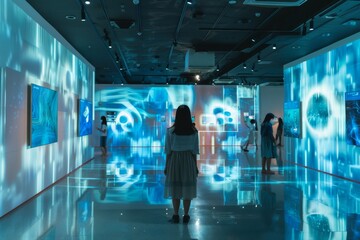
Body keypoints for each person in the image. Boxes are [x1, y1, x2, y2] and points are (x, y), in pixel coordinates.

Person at [164, 105, 199, 224]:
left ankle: (175, 214)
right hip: (188, 161)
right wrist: (195, 166)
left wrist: (166, 166)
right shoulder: (194, 132)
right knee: (187, 188)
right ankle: (186, 215)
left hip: (174, 160)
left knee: (175, 188)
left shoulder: (170, 131)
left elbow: (168, 151)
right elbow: (195, 151)